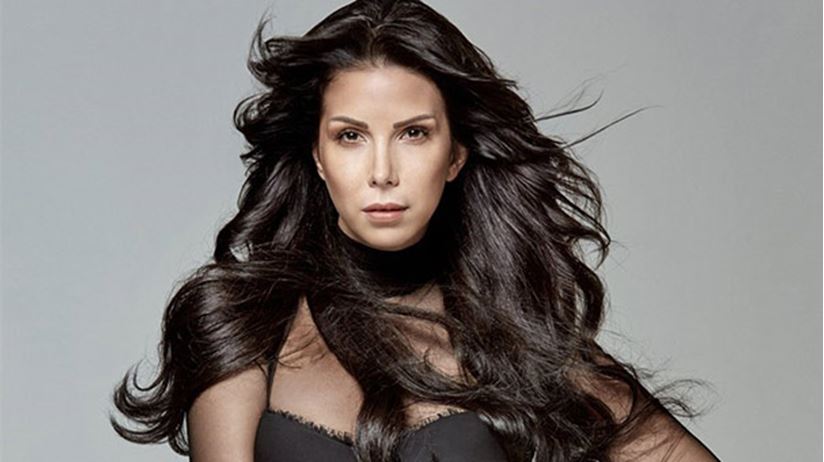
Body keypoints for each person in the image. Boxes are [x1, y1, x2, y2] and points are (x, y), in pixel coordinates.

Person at [110, 1, 722, 461]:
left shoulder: (518, 337)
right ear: (318, 156)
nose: (382, 172)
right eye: (351, 136)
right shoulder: (243, 319)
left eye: (413, 133)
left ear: (455, 155)